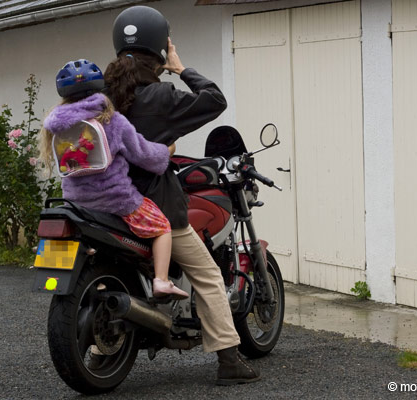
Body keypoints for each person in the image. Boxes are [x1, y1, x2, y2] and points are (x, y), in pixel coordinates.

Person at [105, 6, 260, 385]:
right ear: (161, 47)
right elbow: (214, 99)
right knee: (208, 274)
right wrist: (180, 68)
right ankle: (229, 360)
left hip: (104, 205)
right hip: (152, 206)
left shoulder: (101, 92)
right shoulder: (162, 96)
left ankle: (99, 349)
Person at [40, 58, 188, 300]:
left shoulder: (57, 127)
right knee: (162, 227)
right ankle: (161, 281)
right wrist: (167, 150)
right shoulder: (111, 120)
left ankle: (93, 277)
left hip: (75, 203)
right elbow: (145, 155)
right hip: (116, 201)